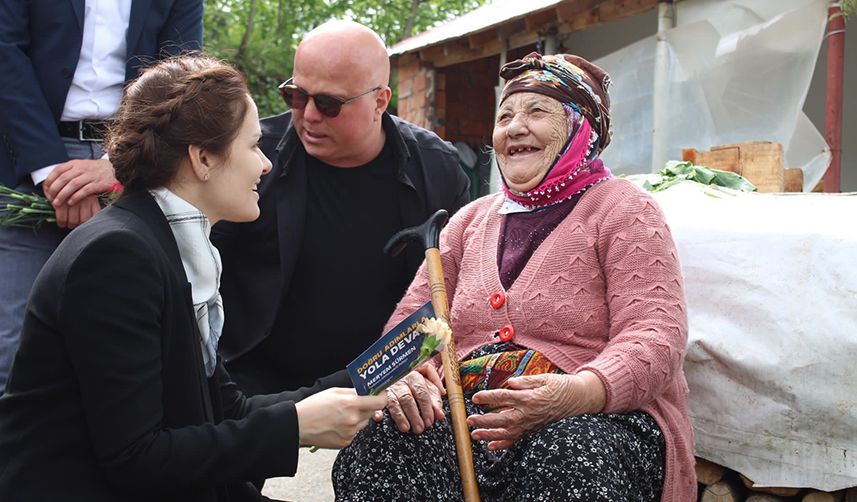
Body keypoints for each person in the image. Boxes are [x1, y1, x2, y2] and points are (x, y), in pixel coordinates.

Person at [0, 56, 387, 500]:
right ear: (203, 158)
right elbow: (136, 458)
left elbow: (226, 409)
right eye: (253, 145)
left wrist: (376, 376)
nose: (265, 164)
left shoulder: (165, 243)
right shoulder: (116, 257)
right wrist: (297, 426)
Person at [333, 52, 697, 502]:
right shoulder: (469, 222)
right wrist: (404, 374)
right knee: (383, 442)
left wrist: (579, 393)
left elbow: (656, 334)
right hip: (468, 424)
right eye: (504, 115)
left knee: (571, 453)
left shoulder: (625, 209)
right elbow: (412, 327)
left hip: (592, 418)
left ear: (582, 128)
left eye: (537, 112)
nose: (514, 127)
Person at [212, 20, 471, 397]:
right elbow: (196, 273)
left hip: (388, 383)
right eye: (296, 96)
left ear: (380, 101)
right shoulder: (250, 156)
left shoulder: (437, 169)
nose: (309, 115)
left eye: (329, 103)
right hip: (253, 387)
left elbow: (462, 288)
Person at [0, 0, 204, 396]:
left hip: (137, 158)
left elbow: (180, 76)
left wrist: (119, 162)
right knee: (11, 346)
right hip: (27, 156)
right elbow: (5, 52)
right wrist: (50, 172)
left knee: (123, 340)